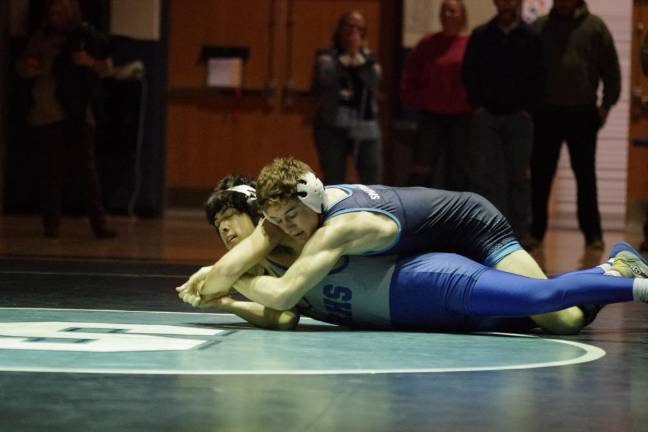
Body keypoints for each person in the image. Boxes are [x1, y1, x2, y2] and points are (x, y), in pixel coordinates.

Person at [181, 157, 600, 334]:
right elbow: (274, 305)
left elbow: (264, 286)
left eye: (228, 223)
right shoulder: (287, 220)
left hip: (470, 225)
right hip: (428, 250)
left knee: (561, 321)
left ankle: (612, 272)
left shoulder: (302, 228)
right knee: (521, 315)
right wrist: (227, 291)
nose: (226, 237)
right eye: (218, 230)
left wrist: (227, 282)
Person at [14, 0, 116, 238]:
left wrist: (88, 62)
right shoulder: (41, 38)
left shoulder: (85, 36)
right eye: (52, 12)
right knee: (52, 172)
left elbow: (107, 67)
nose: (55, 17)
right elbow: (23, 65)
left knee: (87, 173)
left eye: (60, 12)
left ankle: (98, 225)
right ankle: (51, 226)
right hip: (48, 110)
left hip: (79, 111)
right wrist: (28, 68)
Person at [530, 0, 621, 251]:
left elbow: (611, 71)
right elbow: (527, 72)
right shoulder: (540, 27)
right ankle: (535, 232)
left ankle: (593, 234)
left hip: (582, 114)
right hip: (545, 114)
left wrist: (605, 106)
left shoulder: (594, 27)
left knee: (585, 176)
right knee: (540, 176)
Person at [461, 0, 544, 243]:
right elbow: (469, 73)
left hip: (519, 118)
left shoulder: (532, 37)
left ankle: (520, 233)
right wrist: (477, 107)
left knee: (519, 176)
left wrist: (528, 110)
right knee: (483, 176)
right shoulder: (481, 35)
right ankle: (486, 231)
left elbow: (540, 76)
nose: (507, 5)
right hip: (486, 117)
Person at [400, 0, 472, 190]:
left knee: (459, 169)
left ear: (462, 15)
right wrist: (416, 99)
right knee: (422, 168)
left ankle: (457, 216)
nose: (448, 15)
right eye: (444, 11)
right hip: (431, 114)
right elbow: (410, 75)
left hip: (462, 116)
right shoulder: (428, 43)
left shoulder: (470, 43)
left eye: (453, 11)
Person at [311, 10, 383, 185]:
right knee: (334, 179)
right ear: (340, 29)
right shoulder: (326, 56)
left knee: (372, 178)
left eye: (359, 28)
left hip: (365, 126)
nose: (353, 32)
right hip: (333, 125)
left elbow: (374, 79)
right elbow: (325, 77)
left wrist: (357, 57)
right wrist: (346, 58)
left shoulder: (368, 59)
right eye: (349, 27)